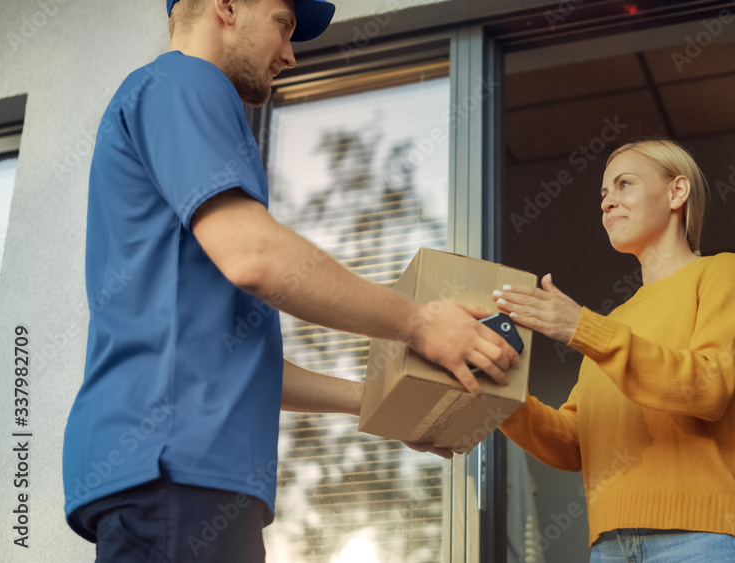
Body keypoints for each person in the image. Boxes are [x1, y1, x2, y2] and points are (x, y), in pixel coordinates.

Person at [62, 1, 518, 561]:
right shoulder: (185, 80)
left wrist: (379, 403)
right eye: (283, 24)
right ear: (226, 6)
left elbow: (242, 365)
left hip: (182, 471)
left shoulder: (171, 100)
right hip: (177, 466)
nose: (290, 54)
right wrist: (421, 325)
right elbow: (255, 255)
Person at [494, 139, 735, 562]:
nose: (607, 203)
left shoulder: (722, 272)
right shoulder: (612, 324)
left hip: (705, 539)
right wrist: (500, 398)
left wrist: (581, 327)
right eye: (604, 195)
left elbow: (708, 387)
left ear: (677, 192)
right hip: (609, 547)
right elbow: (575, 442)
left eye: (624, 185)